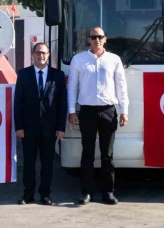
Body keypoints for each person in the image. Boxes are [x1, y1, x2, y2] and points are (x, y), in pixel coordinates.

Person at [67, 26, 129, 205]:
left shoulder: (114, 59)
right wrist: (71, 110)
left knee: (107, 155)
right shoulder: (79, 60)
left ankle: (108, 192)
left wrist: (124, 110)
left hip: (108, 111)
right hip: (87, 111)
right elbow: (72, 86)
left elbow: (121, 86)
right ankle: (86, 193)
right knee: (87, 154)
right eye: (93, 37)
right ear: (88, 40)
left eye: (100, 36)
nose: (97, 40)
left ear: (105, 39)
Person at [14, 42, 67, 205]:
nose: (41, 56)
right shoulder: (23, 74)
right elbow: (18, 102)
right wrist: (19, 126)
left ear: (49, 55)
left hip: (50, 128)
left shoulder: (57, 75)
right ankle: (28, 194)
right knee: (29, 163)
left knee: (47, 164)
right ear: (32, 55)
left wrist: (60, 127)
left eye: (44, 53)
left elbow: (62, 103)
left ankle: (45, 194)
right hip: (29, 128)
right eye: (38, 53)